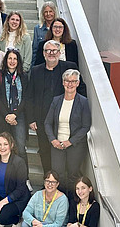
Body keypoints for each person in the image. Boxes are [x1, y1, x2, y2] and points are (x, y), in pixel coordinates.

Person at [28, 40, 86, 173]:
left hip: (64, 120)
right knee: (45, 151)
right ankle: (48, 180)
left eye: (54, 51)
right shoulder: (36, 71)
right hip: (42, 120)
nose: (51, 53)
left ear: (59, 53)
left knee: (65, 153)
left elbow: (81, 88)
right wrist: (31, 119)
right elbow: (30, 96)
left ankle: (63, 184)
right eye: (48, 51)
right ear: (43, 53)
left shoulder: (69, 67)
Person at [44, 69, 91, 195]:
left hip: (75, 145)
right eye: (67, 81)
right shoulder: (56, 100)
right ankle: (59, 202)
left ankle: (71, 202)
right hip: (57, 144)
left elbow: (86, 126)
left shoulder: (83, 102)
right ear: (63, 82)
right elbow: (47, 123)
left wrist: (70, 142)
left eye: (73, 81)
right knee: (57, 175)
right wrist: (53, 140)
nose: (70, 84)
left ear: (78, 83)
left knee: (73, 175)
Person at [0, 49, 28, 169]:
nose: (12, 61)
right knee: (2, 148)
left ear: (18, 61)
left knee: (20, 147)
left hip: (19, 116)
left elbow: (26, 98)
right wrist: (7, 115)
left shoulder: (23, 76)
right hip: (3, 116)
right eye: (10, 58)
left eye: (15, 59)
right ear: (6, 60)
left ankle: (24, 178)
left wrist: (15, 115)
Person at [32, 2, 57, 67]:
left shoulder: (58, 28)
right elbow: (35, 49)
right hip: (42, 63)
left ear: (54, 12)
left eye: (50, 11)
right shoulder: (37, 28)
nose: (48, 14)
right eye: (46, 12)